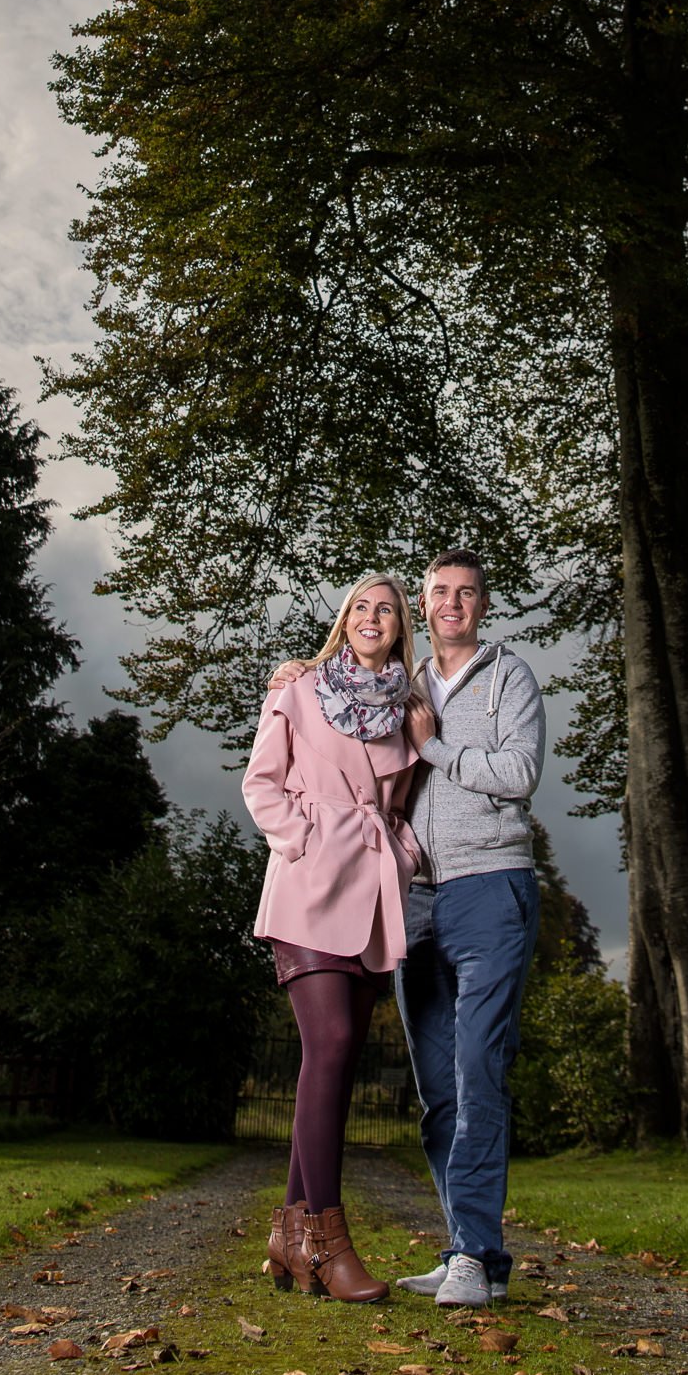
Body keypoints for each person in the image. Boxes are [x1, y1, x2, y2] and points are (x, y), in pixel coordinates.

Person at [242, 571, 428, 1302]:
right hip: (311, 889)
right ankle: (327, 1241)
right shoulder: (299, 688)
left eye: (387, 608)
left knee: (339, 1062)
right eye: (361, 606)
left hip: (374, 897)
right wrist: (303, 837)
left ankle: (289, 1236)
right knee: (331, 1047)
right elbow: (261, 783)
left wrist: (403, 854)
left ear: (400, 627)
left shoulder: (411, 713)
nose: (373, 616)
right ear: (344, 619)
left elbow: (409, 807)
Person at [391, 549, 544, 1309]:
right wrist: (290, 674)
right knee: (437, 1090)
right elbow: (337, 707)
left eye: (467, 593)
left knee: (479, 1069)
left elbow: (519, 774)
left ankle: (475, 1259)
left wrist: (435, 749)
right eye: (440, 593)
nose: (453, 604)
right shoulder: (405, 682)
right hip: (416, 901)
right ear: (424, 605)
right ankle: (468, 1252)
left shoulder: (510, 679)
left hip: (493, 890)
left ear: (483, 605)